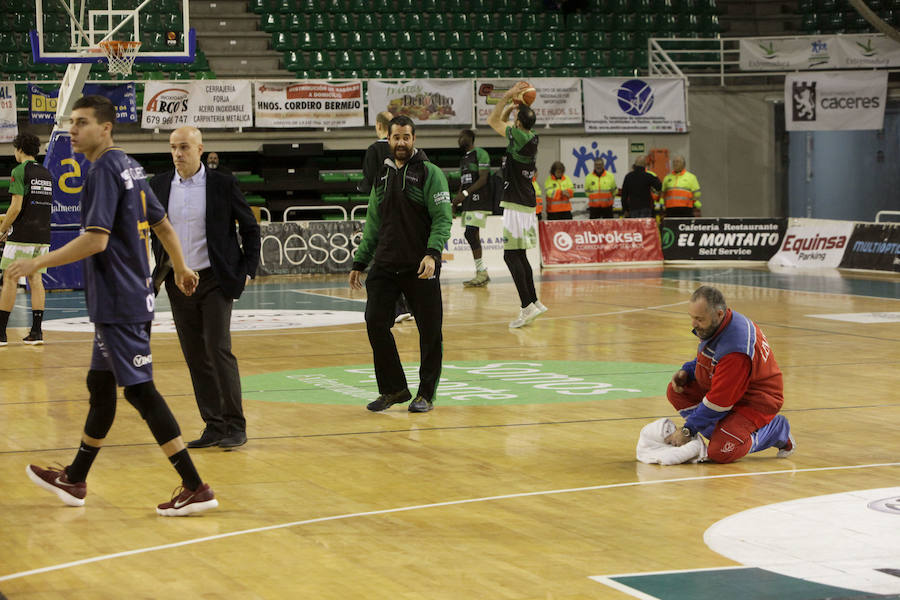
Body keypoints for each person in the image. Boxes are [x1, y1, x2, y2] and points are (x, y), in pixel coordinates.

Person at [11, 94, 218, 516]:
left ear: (105, 128)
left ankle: (196, 486)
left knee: (141, 392)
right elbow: (162, 223)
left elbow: (96, 239)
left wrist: (37, 261)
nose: (73, 130)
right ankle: (75, 477)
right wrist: (179, 267)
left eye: (82, 122)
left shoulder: (104, 169)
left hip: (120, 301)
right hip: (124, 298)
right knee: (100, 387)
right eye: (72, 122)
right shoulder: (130, 165)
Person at [149, 126, 261, 450]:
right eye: (173, 147)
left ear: (200, 149)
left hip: (214, 279)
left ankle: (235, 425)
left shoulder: (222, 183)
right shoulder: (158, 185)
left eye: (184, 147)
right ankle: (213, 425)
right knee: (195, 355)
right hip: (177, 281)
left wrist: (247, 271)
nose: (177, 154)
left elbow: (250, 228)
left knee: (217, 349)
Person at [348, 115, 451, 414]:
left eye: (406, 137)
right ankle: (394, 389)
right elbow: (373, 224)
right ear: (389, 140)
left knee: (430, 331)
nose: (401, 142)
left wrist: (432, 253)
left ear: (414, 139)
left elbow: (443, 217)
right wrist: (361, 260)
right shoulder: (382, 176)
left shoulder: (430, 173)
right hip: (386, 264)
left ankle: (426, 394)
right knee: (375, 322)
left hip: (421, 265)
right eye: (396, 138)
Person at [664, 285, 795, 464]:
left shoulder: (736, 350)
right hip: (734, 390)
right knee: (677, 391)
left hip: (757, 401)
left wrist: (688, 430)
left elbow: (719, 402)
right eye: (692, 318)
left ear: (718, 314)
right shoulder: (717, 324)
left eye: (699, 319)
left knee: (720, 452)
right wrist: (687, 370)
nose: (694, 324)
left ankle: (777, 430)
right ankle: (726, 432)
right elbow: (710, 357)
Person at [487, 81, 548, 329]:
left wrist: (508, 96)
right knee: (519, 254)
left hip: (515, 204)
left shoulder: (518, 135)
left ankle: (526, 307)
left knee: (510, 256)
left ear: (519, 124)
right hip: (525, 203)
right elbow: (502, 121)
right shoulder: (530, 136)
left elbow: (492, 121)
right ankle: (534, 300)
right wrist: (513, 108)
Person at [359, 110, 413, 323]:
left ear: (378, 126)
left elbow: (370, 181)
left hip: (383, 211)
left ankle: (397, 308)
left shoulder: (374, 149)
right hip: (404, 212)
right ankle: (408, 306)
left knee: (385, 262)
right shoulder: (404, 151)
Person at [0, 133, 53, 346]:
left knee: (10, 279)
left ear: (19, 149)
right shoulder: (46, 173)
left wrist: (3, 229)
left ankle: (1, 333)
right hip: (42, 236)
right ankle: (36, 332)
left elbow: (15, 207)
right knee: (36, 280)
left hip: (22, 234)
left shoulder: (19, 171)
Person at [452, 129, 491, 288]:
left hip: (480, 200)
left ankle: (482, 272)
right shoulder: (464, 159)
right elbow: (464, 181)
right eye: (459, 137)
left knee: (470, 233)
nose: (460, 139)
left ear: (471, 138)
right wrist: (455, 202)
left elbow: (483, 178)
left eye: (463, 136)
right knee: (471, 234)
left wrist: (466, 193)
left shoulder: (480, 153)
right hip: (468, 201)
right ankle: (481, 272)